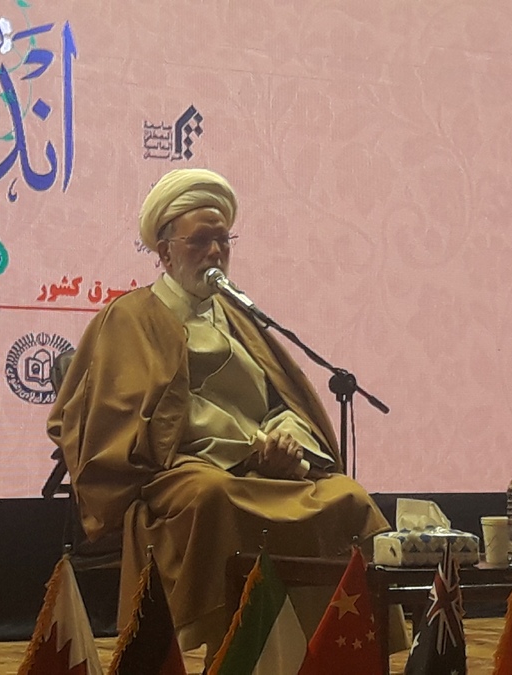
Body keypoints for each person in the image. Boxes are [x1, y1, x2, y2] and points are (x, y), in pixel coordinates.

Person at [46, 168, 390, 655]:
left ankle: (333, 650)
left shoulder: (239, 317)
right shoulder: (129, 317)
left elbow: (281, 400)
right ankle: (231, 649)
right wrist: (250, 449)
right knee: (214, 496)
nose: (214, 252)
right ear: (165, 252)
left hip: (264, 468)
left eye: (223, 241)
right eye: (200, 241)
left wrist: (286, 440)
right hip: (182, 468)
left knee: (347, 497)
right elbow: (131, 419)